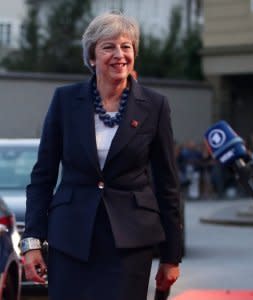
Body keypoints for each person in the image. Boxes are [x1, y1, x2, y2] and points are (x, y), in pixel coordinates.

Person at [19, 12, 182, 300]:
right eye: (109, 47)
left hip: (130, 243)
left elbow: (167, 184)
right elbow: (42, 175)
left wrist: (172, 256)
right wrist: (31, 242)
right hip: (70, 239)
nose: (119, 55)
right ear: (92, 57)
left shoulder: (155, 105)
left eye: (126, 46)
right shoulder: (65, 101)